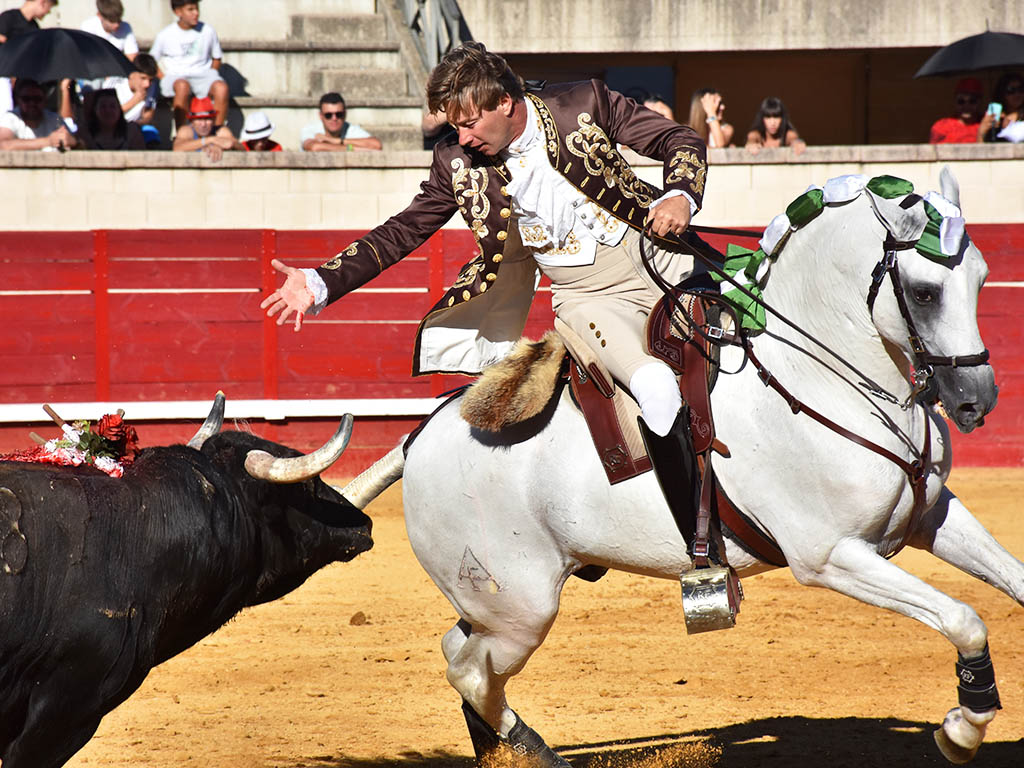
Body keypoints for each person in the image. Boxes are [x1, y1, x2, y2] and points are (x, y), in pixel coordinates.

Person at [262, 42, 708, 522]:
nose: (463, 138)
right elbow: (402, 231)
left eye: (470, 123)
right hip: (589, 299)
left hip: (662, 258)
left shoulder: (583, 103)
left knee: (762, 332)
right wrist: (321, 281)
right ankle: (699, 547)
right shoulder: (456, 162)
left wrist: (680, 193)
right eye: (453, 126)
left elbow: (678, 139)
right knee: (657, 387)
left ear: (505, 103)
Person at [150, 0, 228, 129]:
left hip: (203, 75)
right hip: (176, 77)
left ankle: (217, 130)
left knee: (221, 88)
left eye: (197, 9)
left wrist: (212, 74)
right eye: (190, 9)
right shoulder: (165, 34)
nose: (196, 13)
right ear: (178, 12)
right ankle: (182, 132)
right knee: (182, 86)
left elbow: (216, 58)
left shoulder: (208, 31)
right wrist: (163, 77)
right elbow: (152, 60)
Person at [0, 0, 58, 114]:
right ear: (42, 2)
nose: (48, 12)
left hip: (23, 81)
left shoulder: (34, 26)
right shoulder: (9, 18)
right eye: (48, 8)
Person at [0, 77, 78, 151]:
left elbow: (77, 143)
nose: (32, 103)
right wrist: (48, 141)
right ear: (18, 100)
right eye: (26, 99)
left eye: (37, 99)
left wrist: (72, 141)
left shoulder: (55, 119)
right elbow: (3, 145)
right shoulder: (10, 118)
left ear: (45, 100)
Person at [300, 92, 382, 151]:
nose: (334, 118)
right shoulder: (310, 129)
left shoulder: (350, 129)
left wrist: (335, 141)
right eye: (328, 115)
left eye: (339, 114)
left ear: (345, 114)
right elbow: (314, 147)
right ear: (321, 116)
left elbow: (376, 145)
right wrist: (350, 148)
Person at [172, 95, 239, 159]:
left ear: (214, 120)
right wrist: (210, 140)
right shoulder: (186, 130)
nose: (203, 124)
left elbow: (241, 147)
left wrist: (223, 146)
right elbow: (177, 148)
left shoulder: (220, 131)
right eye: (199, 119)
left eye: (207, 119)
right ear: (191, 121)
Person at [77, 87, 145, 149]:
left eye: (112, 106)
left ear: (119, 109)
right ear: (95, 110)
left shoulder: (132, 131)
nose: (108, 111)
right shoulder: (85, 132)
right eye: (103, 106)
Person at [928, 78, 985, 144]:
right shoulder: (942, 126)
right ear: (955, 102)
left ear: (980, 102)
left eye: (972, 101)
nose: (966, 106)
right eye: (961, 101)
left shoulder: (986, 124)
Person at [980, 72, 1024, 143]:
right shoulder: (994, 118)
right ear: (1001, 93)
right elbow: (981, 149)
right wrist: (982, 131)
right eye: (1011, 90)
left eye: (1021, 89)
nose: (1017, 94)